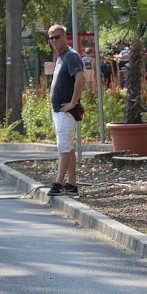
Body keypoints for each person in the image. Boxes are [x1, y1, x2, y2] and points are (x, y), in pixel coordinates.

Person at [46, 25, 84, 196]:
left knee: (63, 147)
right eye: (51, 38)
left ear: (65, 37)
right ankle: (72, 184)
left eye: (57, 37)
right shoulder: (61, 57)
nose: (54, 40)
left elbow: (80, 79)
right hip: (59, 111)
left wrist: (73, 102)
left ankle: (59, 183)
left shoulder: (71, 56)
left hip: (66, 112)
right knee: (68, 148)